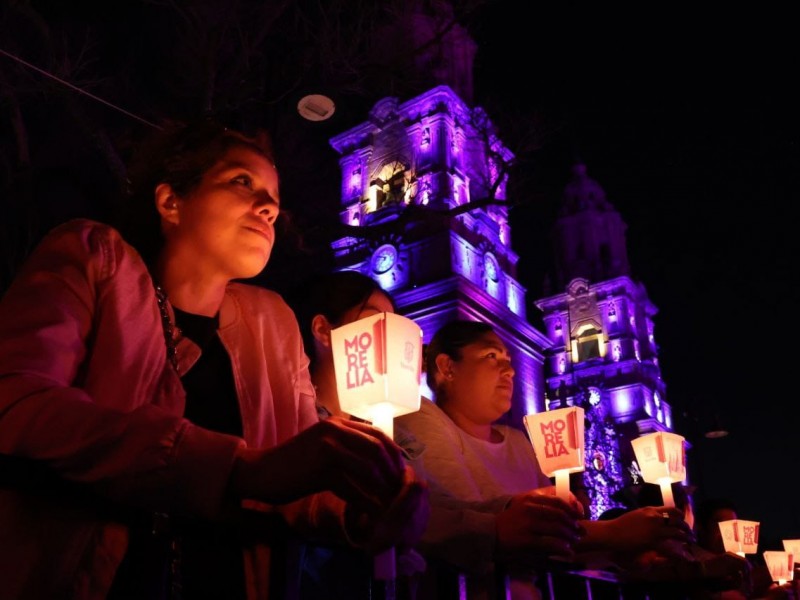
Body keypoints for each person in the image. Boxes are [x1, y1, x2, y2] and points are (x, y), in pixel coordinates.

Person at [0, 117, 428, 599]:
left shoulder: (271, 323)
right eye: (242, 181)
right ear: (170, 202)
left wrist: (357, 509)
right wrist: (241, 469)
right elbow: (16, 403)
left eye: (274, 198)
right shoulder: (93, 259)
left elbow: (296, 477)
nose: (268, 208)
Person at [395, 319, 695, 600]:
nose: (509, 371)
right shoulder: (421, 418)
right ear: (447, 367)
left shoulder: (518, 442)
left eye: (510, 362)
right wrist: (614, 532)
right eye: (491, 356)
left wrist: (621, 552)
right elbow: (466, 524)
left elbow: (559, 544)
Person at [290, 269, 427, 598]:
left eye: (393, 326)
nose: (386, 338)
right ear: (324, 330)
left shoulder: (396, 438)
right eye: (372, 321)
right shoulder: (289, 422)